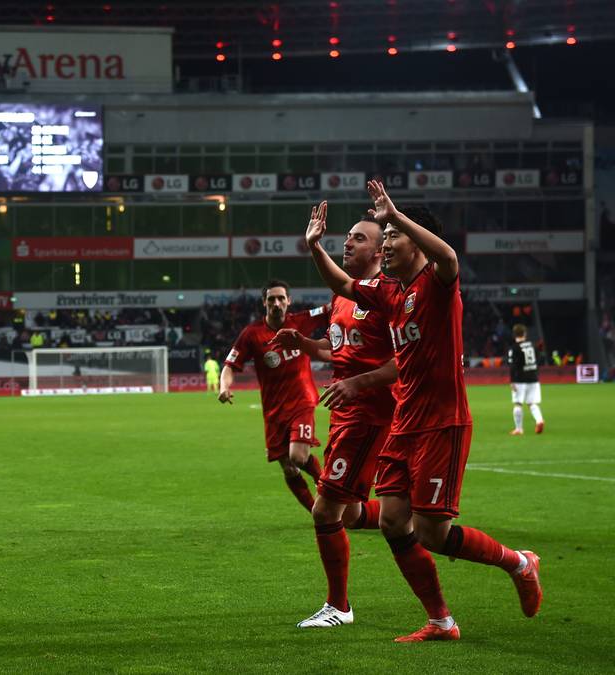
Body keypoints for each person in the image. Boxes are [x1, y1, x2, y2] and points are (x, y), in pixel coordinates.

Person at [305, 182, 541, 642]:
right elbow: (342, 283)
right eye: (385, 235)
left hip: (443, 421)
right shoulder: (391, 293)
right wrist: (314, 246)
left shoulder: (437, 282)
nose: (386, 244)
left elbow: (449, 257)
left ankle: (519, 562)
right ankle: (441, 621)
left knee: (433, 532)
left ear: (417, 240)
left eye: (392, 236)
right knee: (393, 521)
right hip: (405, 422)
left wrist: (395, 214)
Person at [273, 209, 402, 629]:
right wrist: (303, 343)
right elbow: (336, 351)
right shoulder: (342, 297)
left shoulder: (386, 293)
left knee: (325, 511)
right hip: (345, 411)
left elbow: (406, 359)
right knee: (346, 514)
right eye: (346, 237)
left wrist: (360, 384)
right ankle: (409, 514)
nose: (347, 242)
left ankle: (339, 607)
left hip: (369, 413)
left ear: (380, 250)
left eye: (358, 238)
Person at [218, 280, 324, 512]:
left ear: (289, 301)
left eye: (281, 298)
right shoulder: (251, 334)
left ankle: (326, 487)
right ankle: (316, 511)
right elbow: (229, 365)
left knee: (297, 456)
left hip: (302, 401)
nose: (277, 303)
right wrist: (223, 387)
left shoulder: (301, 321)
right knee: (288, 467)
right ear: (264, 303)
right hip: (274, 411)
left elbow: (333, 307)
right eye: (271, 299)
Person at [508, 323, 544, 435]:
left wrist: (512, 381)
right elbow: (538, 359)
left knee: (518, 403)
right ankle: (539, 420)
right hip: (533, 378)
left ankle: (519, 429)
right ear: (525, 334)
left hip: (520, 379)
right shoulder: (533, 345)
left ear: (514, 335)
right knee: (532, 403)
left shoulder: (514, 348)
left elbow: (512, 366)